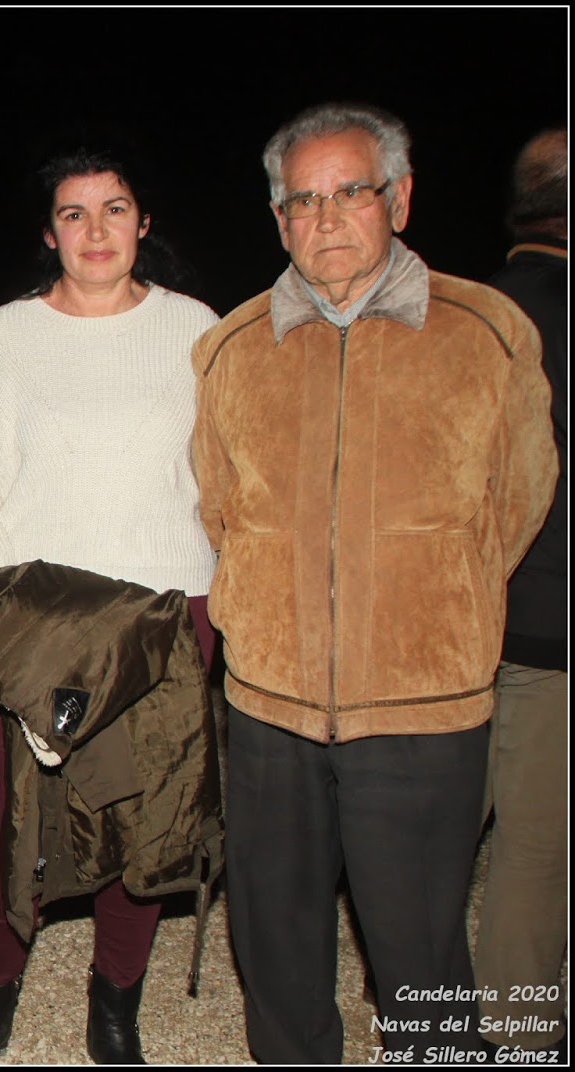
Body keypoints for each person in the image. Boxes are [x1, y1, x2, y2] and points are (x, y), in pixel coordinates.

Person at [191, 102, 558, 1064]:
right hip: (270, 704)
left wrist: (430, 597)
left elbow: (519, 499)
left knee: (421, 951)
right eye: (301, 200)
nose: (325, 218)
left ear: (398, 198)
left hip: (421, 704)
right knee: (275, 944)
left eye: (349, 191)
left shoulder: (486, 333)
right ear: (278, 219)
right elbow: (220, 506)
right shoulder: (233, 348)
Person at [0, 146, 221, 1066]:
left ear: (143, 222)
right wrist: (11, 630)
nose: (96, 231)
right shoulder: (7, 334)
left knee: (144, 817)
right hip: (38, 625)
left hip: (168, 617)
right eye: (74, 213)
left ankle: (115, 1005)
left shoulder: (196, 329)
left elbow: (224, 482)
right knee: (11, 823)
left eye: (115, 209)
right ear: (49, 234)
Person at [475, 126, 568, 1060]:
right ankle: (519, 1035)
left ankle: (418, 1011)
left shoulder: (473, 314)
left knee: (432, 838)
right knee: (536, 853)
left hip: (457, 624)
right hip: (550, 628)